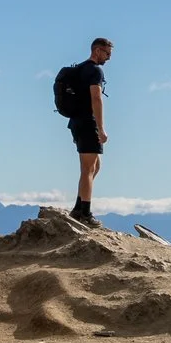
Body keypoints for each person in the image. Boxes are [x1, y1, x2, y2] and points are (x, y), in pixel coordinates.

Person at [54, 38, 112, 223]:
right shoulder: (95, 71)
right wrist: (101, 128)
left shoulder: (78, 69)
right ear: (97, 50)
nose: (108, 58)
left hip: (76, 122)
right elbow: (96, 98)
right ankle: (84, 213)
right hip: (87, 122)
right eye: (107, 53)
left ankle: (79, 207)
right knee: (87, 169)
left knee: (95, 166)